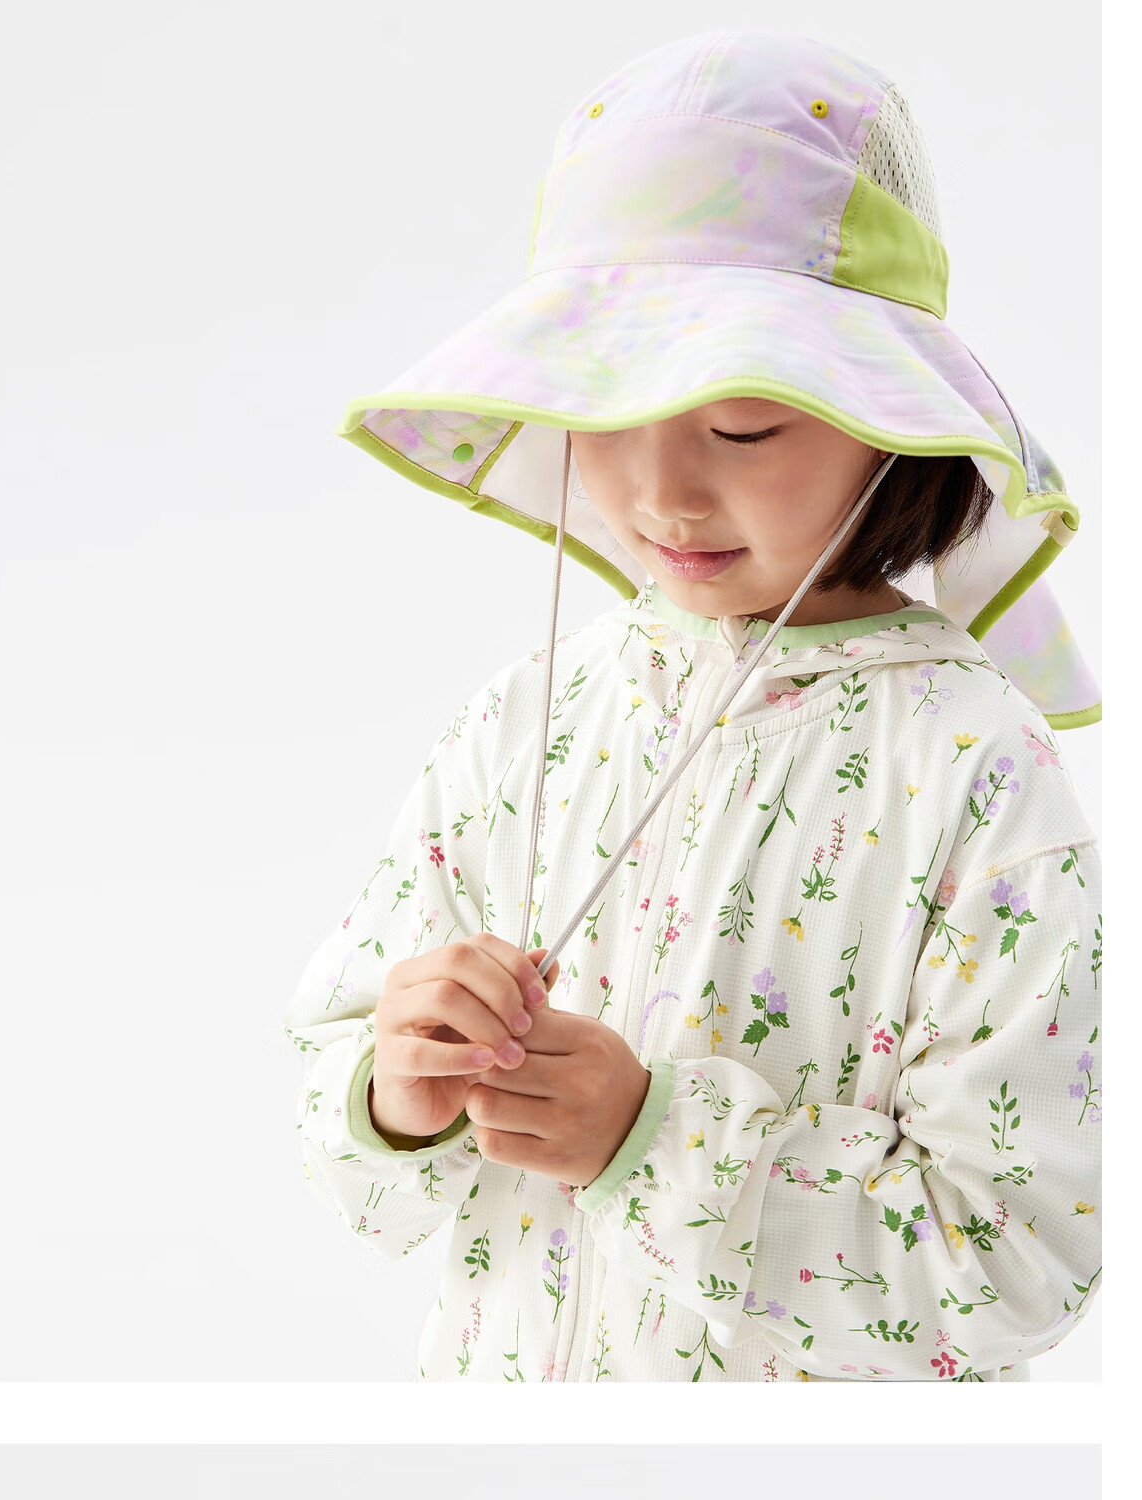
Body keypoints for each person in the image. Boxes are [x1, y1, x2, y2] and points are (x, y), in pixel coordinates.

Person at [281, 30, 1102, 1383]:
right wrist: (393, 1094)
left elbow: (1018, 1259)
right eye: (605, 415)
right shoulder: (531, 719)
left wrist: (655, 1143)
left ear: (891, 418)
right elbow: (337, 1113)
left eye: (742, 427)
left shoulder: (971, 766)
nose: (661, 493)